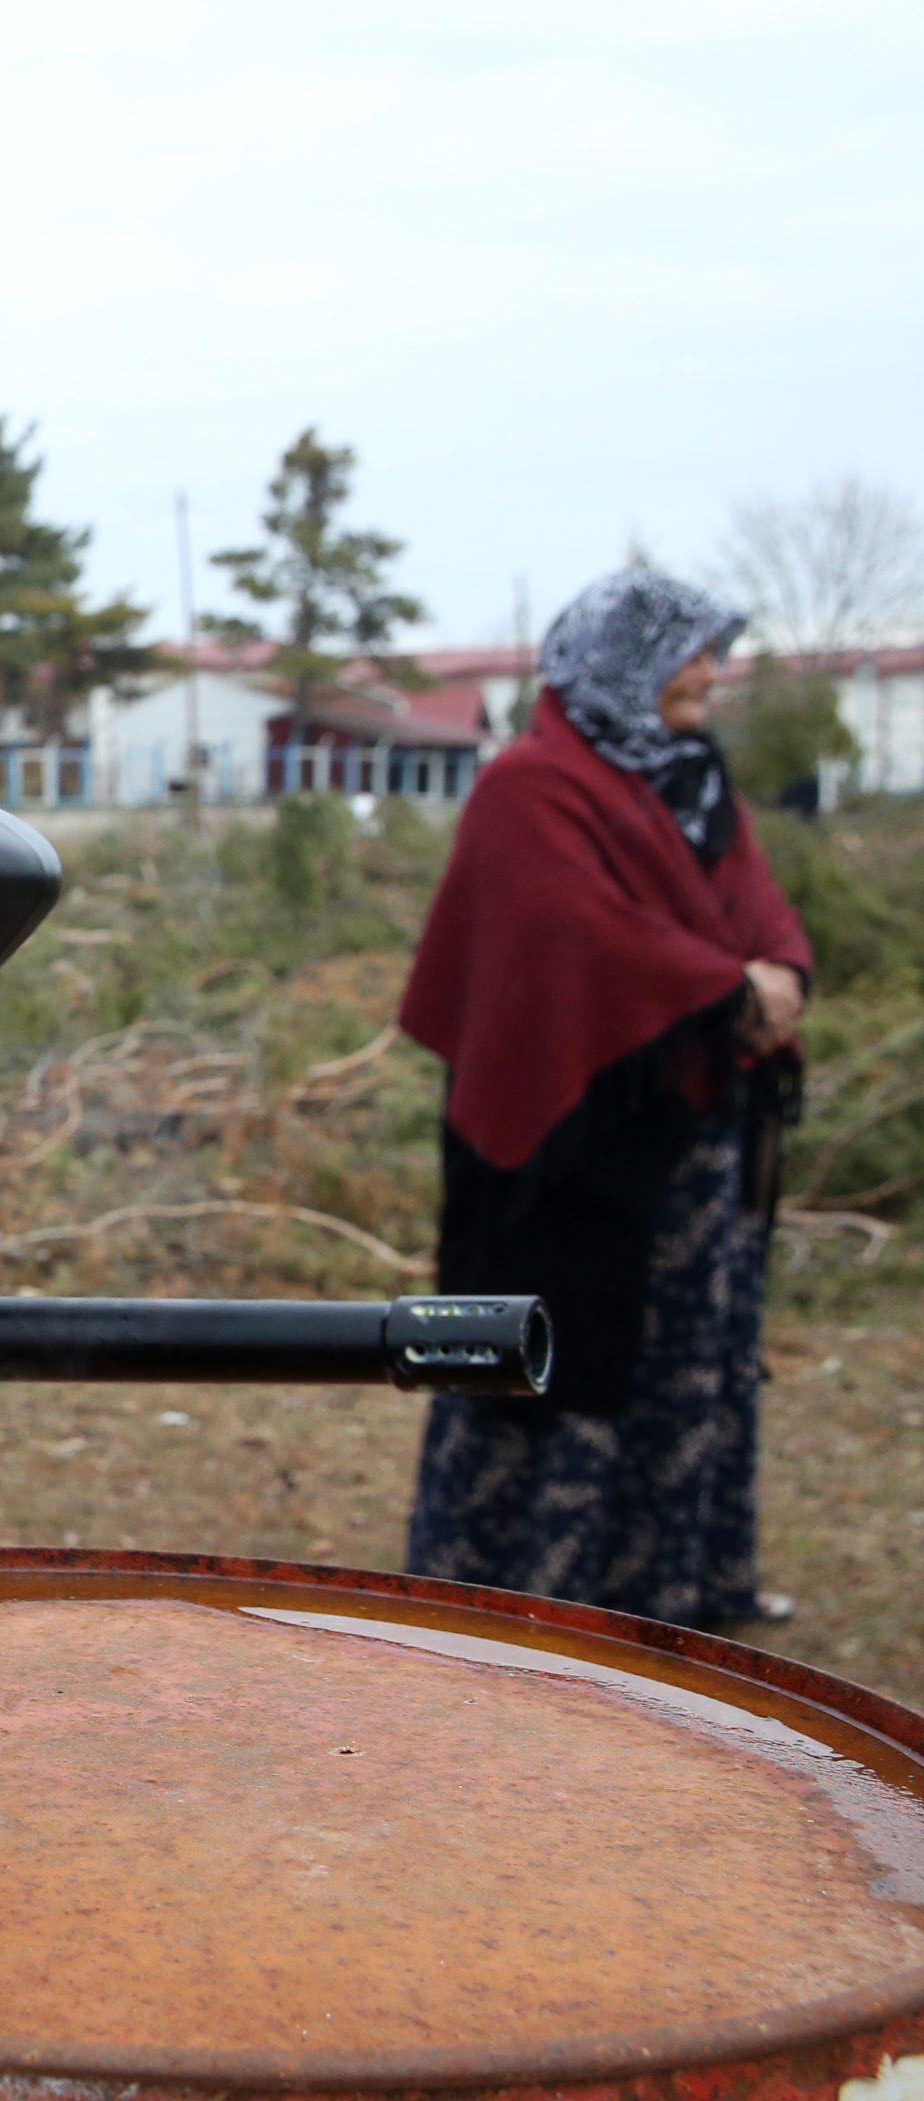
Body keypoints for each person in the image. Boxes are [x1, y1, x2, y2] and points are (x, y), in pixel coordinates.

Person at [400, 567, 812, 1629]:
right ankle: (529, 1593)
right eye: (690, 654)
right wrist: (730, 990)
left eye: (715, 654)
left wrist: (780, 975)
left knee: (687, 1360)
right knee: (554, 1363)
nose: (710, 676)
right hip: (566, 1156)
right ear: (621, 664)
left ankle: (669, 1593)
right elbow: (571, 935)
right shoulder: (531, 785)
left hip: (689, 1143)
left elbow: (757, 910)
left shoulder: (694, 781)